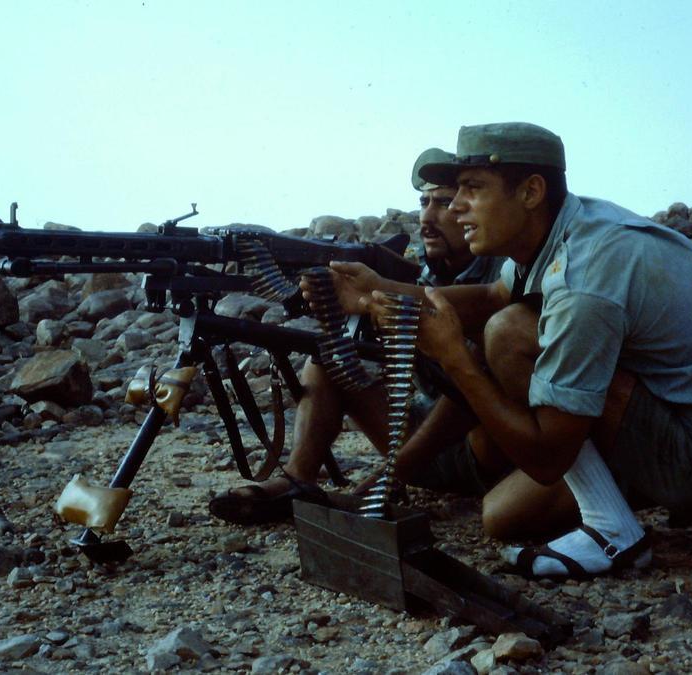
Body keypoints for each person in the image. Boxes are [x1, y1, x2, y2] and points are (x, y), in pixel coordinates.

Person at [325, 122, 692, 579]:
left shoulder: (585, 275)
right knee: (502, 516)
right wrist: (379, 290)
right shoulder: (563, 228)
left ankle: (614, 534)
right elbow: (490, 298)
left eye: (473, 189)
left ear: (531, 192)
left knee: (509, 335)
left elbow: (547, 458)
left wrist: (455, 359)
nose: (456, 206)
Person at [208, 148, 506, 525]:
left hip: (486, 452)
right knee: (330, 358)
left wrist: (393, 472)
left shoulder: (503, 273)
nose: (427, 217)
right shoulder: (424, 270)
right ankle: (298, 480)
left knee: (476, 368)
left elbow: (470, 390)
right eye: (424, 202)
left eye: (444, 203)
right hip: (422, 445)